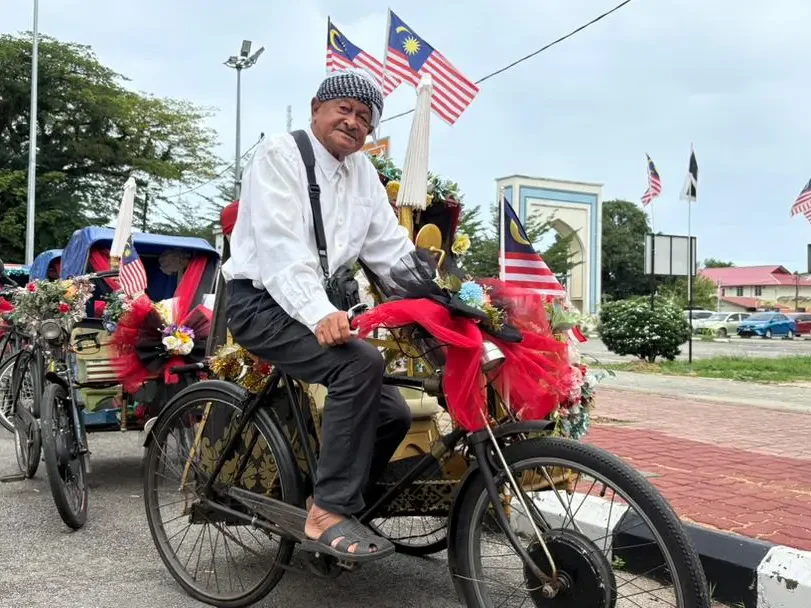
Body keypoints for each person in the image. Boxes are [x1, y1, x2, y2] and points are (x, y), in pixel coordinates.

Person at [222, 68, 415, 562]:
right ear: (316, 108)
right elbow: (282, 247)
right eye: (344, 110)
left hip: (322, 303)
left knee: (392, 414)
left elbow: (391, 251)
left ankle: (326, 497)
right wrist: (317, 312)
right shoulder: (280, 154)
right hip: (262, 301)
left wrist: (444, 297)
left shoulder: (363, 172)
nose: (353, 123)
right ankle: (328, 510)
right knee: (359, 365)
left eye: (364, 118)